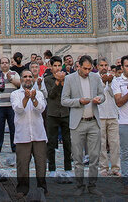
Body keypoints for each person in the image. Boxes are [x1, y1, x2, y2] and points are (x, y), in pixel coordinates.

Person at [61, 54, 105, 194]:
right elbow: (64, 100)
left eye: (89, 69)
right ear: (78, 66)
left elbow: (102, 95)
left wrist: (99, 99)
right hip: (78, 123)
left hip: (93, 122)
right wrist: (79, 101)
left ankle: (92, 185)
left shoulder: (95, 77)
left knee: (94, 157)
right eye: (85, 69)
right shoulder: (70, 79)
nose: (87, 71)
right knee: (78, 157)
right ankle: (79, 186)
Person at [11, 69, 47, 198]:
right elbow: (18, 109)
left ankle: (42, 187)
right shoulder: (15, 94)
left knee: (41, 163)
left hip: (38, 134)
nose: (28, 78)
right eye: (25, 76)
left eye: (30, 76)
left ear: (33, 79)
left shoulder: (39, 94)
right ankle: (22, 188)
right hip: (22, 135)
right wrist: (26, 98)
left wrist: (34, 98)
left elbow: (41, 108)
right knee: (22, 164)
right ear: (21, 79)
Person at [43, 56, 72, 178]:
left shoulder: (68, 78)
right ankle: (52, 168)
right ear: (51, 67)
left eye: (59, 66)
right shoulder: (47, 79)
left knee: (67, 142)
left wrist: (63, 81)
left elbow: (69, 94)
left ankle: (68, 168)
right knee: (51, 142)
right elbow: (51, 94)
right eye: (55, 66)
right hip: (52, 113)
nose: (57, 68)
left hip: (65, 113)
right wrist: (57, 82)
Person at [95, 58, 120, 176]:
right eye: (101, 65)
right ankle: (103, 167)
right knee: (101, 143)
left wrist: (109, 83)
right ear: (97, 67)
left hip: (113, 114)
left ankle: (115, 168)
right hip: (100, 114)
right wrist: (102, 83)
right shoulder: (94, 78)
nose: (104, 68)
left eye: (106, 65)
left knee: (115, 143)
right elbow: (96, 94)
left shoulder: (114, 79)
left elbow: (115, 95)